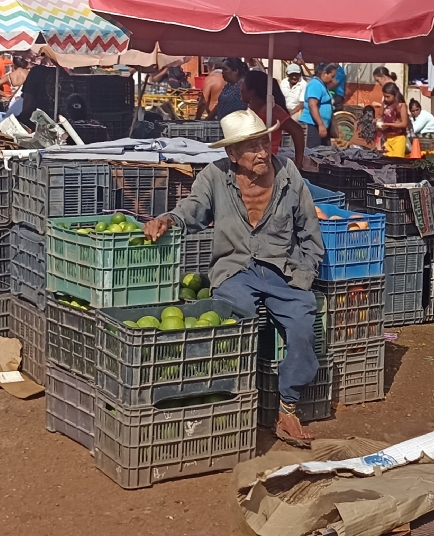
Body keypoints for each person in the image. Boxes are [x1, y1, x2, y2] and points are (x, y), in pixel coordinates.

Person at [143, 110, 324, 446]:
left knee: (302, 324)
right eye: (250, 146)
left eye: (263, 142)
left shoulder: (288, 173)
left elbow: (310, 231)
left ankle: (287, 408)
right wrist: (167, 219)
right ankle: (236, 400)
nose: (262, 151)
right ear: (232, 154)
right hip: (235, 269)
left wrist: (306, 273)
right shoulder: (214, 176)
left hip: (283, 269)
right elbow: (192, 209)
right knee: (236, 320)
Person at [241, 70, 314, 171]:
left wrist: (298, 164)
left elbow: (297, 131)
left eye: (243, 84)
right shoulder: (253, 108)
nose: (240, 88)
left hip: (266, 164)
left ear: (252, 90)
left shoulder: (271, 111)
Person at [297, 63, 339, 148]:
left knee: (325, 151)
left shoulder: (322, 84)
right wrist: (320, 124)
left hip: (322, 125)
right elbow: (312, 105)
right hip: (313, 125)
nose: (332, 79)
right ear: (324, 74)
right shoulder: (315, 84)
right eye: (332, 76)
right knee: (314, 151)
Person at [379, 83, 410, 157]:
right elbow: (380, 115)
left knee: (397, 162)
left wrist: (388, 124)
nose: (385, 99)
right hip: (387, 138)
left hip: (398, 139)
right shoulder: (385, 103)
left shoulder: (401, 105)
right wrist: (377, 120)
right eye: (384, 96)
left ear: (394, 94)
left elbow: (404, 124)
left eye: (388, 97)